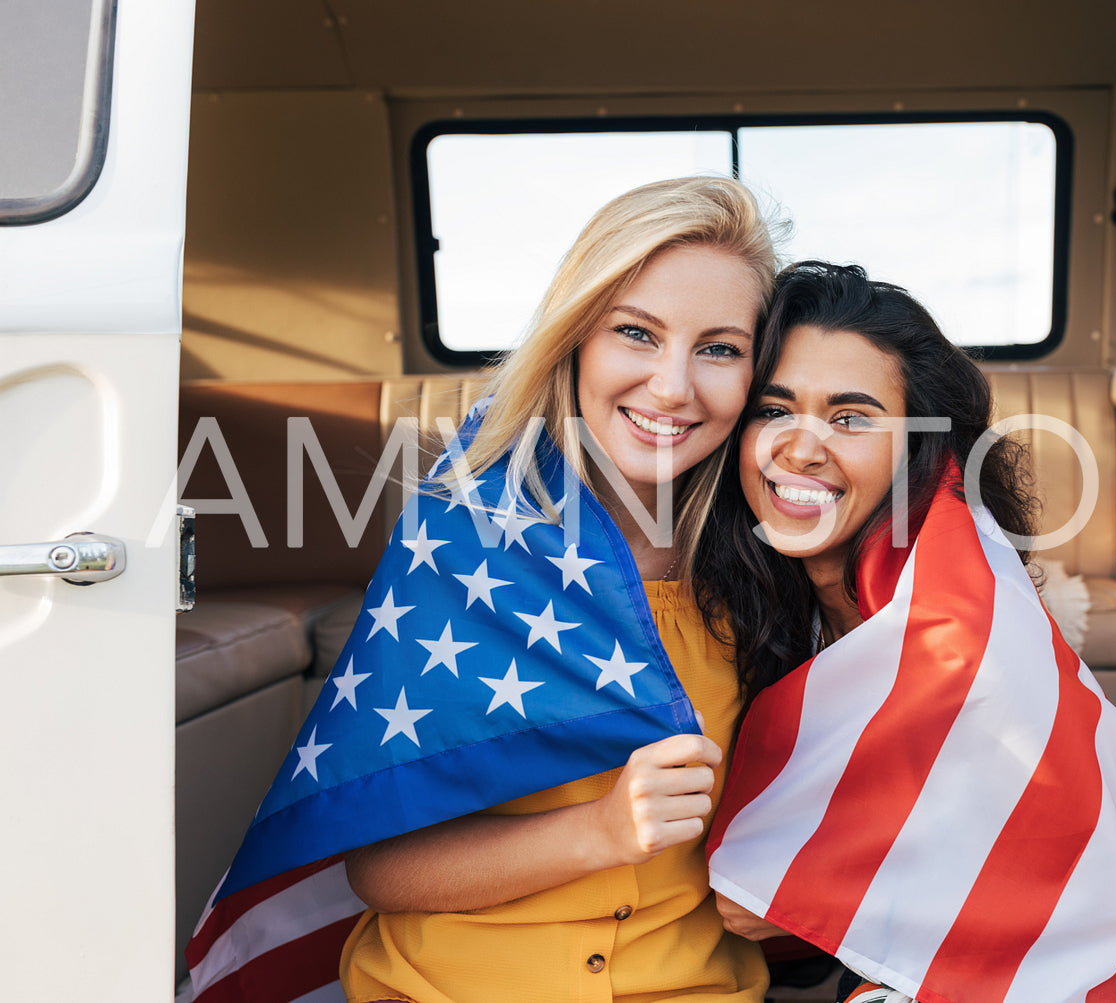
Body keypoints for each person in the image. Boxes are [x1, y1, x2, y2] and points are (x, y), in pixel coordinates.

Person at [184, 177, 783, 1003]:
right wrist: (601, 831)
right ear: (574, 340)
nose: (673, 386)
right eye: (635, 333)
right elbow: (383, 870)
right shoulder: (462, 540)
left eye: (718, 348)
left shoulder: (767, 568)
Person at [695, 262, 1116, 1002]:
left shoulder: (961, 639)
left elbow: (747, 910)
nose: (800, 450)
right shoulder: (768, 594)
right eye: (775, 410)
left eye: (849, 418)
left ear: (921, 453)